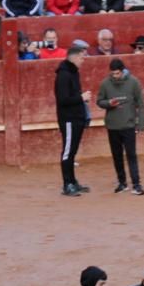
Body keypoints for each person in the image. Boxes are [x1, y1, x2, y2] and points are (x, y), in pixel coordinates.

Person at [97, 57, 144, 195]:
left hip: (129, 125)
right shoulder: (105, 84)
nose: (115, 76)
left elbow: (140, 104)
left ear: (123, 71)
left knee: (131, 155)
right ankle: (122, 182)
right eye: (112, 73)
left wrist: (140, 123)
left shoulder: (133, 82)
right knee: (116, 155)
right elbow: (99, 101)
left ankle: (136, 184)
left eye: (117, 73)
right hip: (113, 126)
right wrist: (108, 104)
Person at [56, 39, 91, 196]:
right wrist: (81, 98)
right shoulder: (63, 75)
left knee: (72, 151)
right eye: (82, 57)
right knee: (68, 152)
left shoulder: (72, 73)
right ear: (75, 57)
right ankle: (67, 184)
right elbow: (63, 100)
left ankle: (72, 182)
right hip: (69, 119)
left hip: (75, 118)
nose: (83, 60)